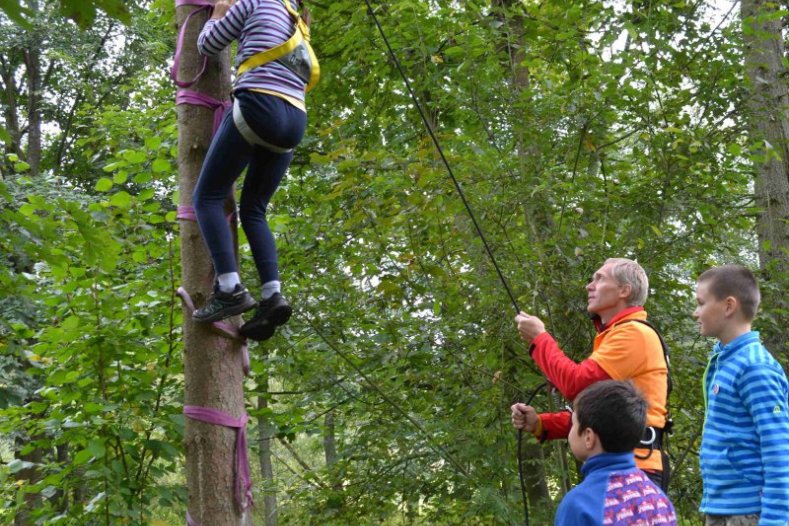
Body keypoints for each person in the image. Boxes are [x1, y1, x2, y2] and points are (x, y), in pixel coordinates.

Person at [190, 0, 317, 342]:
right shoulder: (298, 19)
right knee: (254, 209)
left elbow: (209, 44)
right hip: (294, 121)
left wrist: (216, 14)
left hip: (260, 104)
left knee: (207, 198)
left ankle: (229, 288)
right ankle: (271, 295)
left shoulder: (254, 1)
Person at [511, 258, 671, 488]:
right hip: (624, 467)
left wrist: (539, 339)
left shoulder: (633, 334)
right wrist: (540, 423)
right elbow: (602, 416)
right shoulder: (616, 335)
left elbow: (576, 385)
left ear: (624, 290)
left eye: (600, 279)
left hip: (634, 470)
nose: (589, 286)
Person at [694, 265, 789, 525]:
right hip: (722, 507)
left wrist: (776, 519)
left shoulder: (754, 367)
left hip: (748, 513)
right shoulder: (726, 361)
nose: (695, 313)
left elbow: (779, 448)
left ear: (728, 306)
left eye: (701, 303)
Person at [555, 380, 676, 526]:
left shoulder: (579, 505)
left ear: (588, 437)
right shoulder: (659, 500)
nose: (570, 430)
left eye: (573, 423)